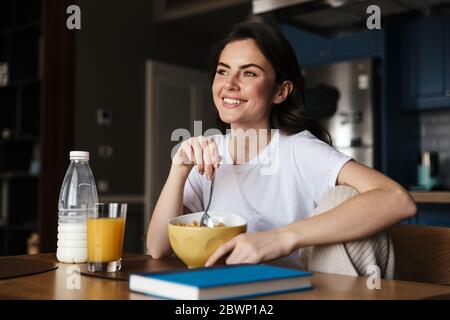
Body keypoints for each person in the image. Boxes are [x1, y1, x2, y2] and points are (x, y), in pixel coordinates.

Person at [146, 22, 416, 267]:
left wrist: (281, 238)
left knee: (342, 196)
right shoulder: (207, 153)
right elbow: (158, 248)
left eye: (249, 74)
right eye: (222, 71)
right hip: (229, 292)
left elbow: (398, 200)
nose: (230, 84)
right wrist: (179, 169)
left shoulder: (297, 149)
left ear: (280, 91)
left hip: (297, 292)